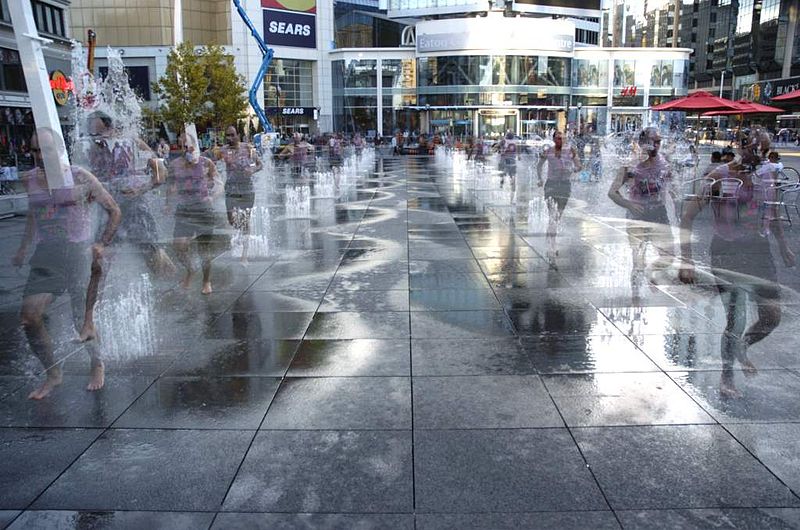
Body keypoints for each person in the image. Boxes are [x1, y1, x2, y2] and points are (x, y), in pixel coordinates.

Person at [680, 143, 795, 397]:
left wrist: (784, 247)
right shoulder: (719, 176)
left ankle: (743, 346)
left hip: (759, 250)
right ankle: (727, 375)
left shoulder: (767, 174)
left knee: (772, 316)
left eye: (766, 152)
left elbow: (772, 213)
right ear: (744, 150)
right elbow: (687, 216)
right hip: (727, 252)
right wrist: (685, 260)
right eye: (757, 151)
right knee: (736, 317)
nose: (762, 157)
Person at [13, 128, 121, 399]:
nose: (39, 157)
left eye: (45, 151)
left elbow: (114, 210)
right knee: (29, 316)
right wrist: (24, 247)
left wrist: (101, 243)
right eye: (35, 150)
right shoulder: (30, 179)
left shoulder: (79, 177)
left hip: (76, 252)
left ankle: (96, 364)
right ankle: (53, 372)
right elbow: (33, 213)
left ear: (58, 150)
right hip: (47, 253)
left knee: (80, 320)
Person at [608, 127, 675, 301]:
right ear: (643, 143)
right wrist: (629, 204)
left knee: (669, 256)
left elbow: (671, 188)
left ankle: (650, 271)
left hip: (659, 212)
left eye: (659, 141)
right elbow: (612, 192)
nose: (657, 145)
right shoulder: (630, 166)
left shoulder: (665, 162)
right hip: (636, 216)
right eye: (654, 141)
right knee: (637, 261)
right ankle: (635, 297)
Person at [168, 130, 221, 295]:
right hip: (184, 209)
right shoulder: (175, 164)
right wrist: (168, 203)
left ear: (195, 146)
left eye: (188, 146)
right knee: (178, 245)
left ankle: (206, 280)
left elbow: (219, 183)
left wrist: (213, 196)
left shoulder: (206, 163)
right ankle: (190, 268)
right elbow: (171, 186)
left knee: (204, 249)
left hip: (203, 209)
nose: (186, 149)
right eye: (182, 146)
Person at [214, 126, 262, 262]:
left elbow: (260, 164)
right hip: (231, 189)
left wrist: (252, 171)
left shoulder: (247, 148)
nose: (229, 138)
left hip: (247, 189)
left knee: (246, 221)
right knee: (231, 219)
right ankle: (241, 232)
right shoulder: (223, 150)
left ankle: (244, 255)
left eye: (232, 135)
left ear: (238, 135)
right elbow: (211, 163)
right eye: (227, 135)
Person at [537, 130, 579, 260]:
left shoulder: (570, 151)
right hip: (551, 185)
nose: (560, 141)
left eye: (563, 138)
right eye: (558, 138)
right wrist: (540, 179)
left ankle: (549, 237)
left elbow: (579, 166)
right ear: (554, 139)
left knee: (558, 216)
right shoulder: (548, 151)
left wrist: (572, 170)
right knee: (552, 216)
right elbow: (539, 165)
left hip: (565, 186)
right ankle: (552, 245)